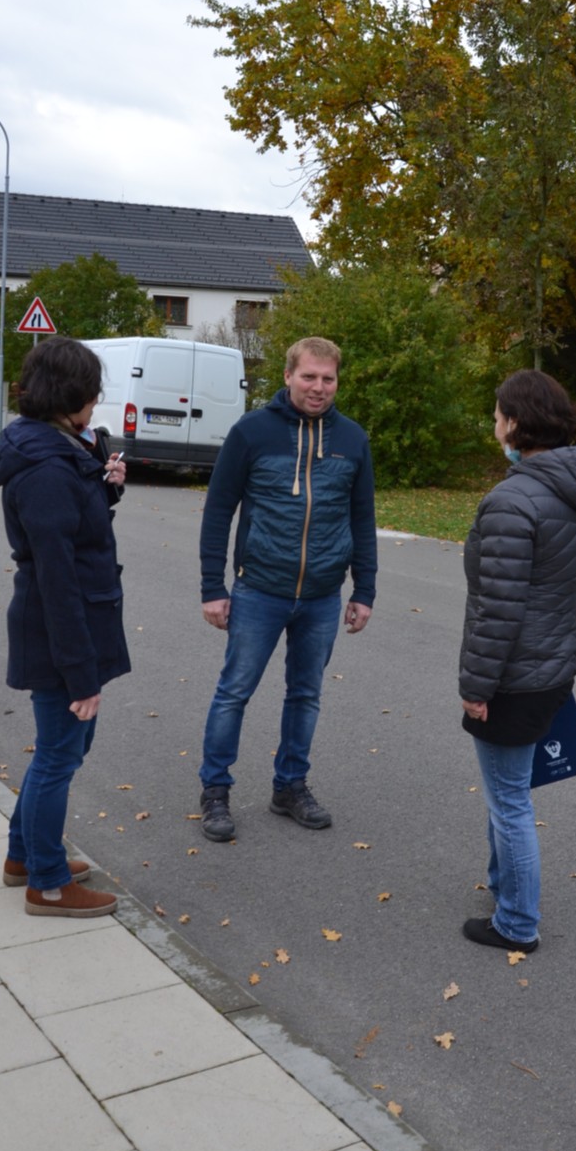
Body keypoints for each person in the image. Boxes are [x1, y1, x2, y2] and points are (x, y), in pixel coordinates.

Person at [198, 336, 377, 840]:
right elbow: (218, 511)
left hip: (322, 596)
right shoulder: (251, 432)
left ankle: (290, 786)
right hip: (259, 590)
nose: (319, 387)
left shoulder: (352, 439)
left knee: (305, 695)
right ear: (287, 376)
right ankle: (215, 791)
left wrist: (364, 590)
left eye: (328, 378)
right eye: (309, 376)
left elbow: (362, 518)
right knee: (234, 693)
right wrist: (213, 586)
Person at [0, 337, 129, 918]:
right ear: (71, 397)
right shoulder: (46, 467)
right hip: (60, 632)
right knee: (59, 756)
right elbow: (57, 578)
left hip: (70, 625)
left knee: (62, 749)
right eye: (92, 393)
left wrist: (105, 486)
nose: (96, 403)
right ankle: (46, 883)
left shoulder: (53, 446)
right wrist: (80, 674)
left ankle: (24, 856)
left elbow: (74, 527)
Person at [459, 369, 576, 953]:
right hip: (552, 664)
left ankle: (517, 922)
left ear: (515, 423)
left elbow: (498, 609)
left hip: (515, 675)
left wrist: (476, 686)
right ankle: (503, 890)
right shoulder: (570, 489)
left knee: (510, 801)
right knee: (509, 792)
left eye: (497, 416)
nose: (493, 425)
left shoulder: (512, 499)